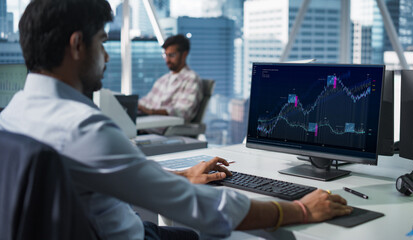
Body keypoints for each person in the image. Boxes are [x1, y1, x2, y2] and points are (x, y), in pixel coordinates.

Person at [0, 0, 352, 239]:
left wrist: (182, 174)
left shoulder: (13, 115)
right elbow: (206, 209)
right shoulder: (82, 128)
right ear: (77, 45)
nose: (106, 55)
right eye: (102, 42)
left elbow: (97, 170)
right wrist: (299, 211)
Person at [138, 34, 202, 124]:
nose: (167, 60)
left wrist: (151, 112)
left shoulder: (191, 79)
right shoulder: (162, 80)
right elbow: (146, 102)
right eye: (166, 55)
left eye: (171, 55)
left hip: (164, 130)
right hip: (146, 126)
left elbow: (183, 112)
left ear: (184, 55)